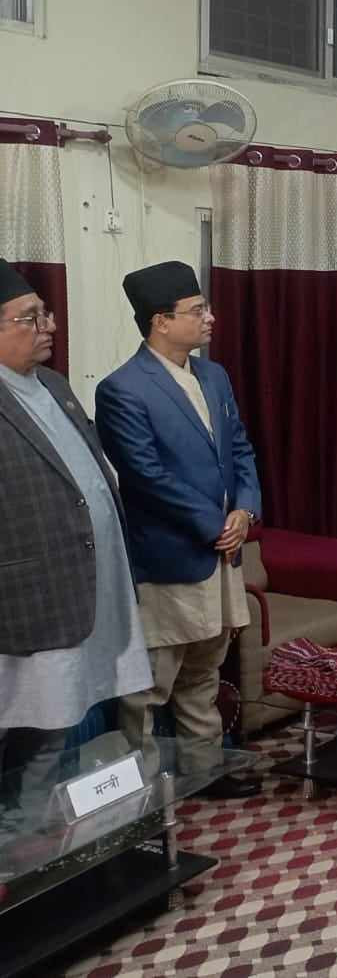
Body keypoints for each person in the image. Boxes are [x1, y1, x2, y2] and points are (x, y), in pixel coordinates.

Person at [97, 261, 262, 797]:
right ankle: (138, 797)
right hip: (170, 558)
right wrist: (216, 525)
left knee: (204, 674)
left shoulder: (214, 376)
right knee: (150, 685)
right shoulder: (122, 389)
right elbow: (145, 476)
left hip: (222, 552)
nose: (210, 318)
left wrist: (245, 511)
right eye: (197, 310)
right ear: (160, 321)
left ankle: (204, 771)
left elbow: (240, 449)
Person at [0, 258, 152, 812]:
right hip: (23, 601)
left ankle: (35, 830)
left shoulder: (53, 384)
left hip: (80, 587)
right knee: (27, 723)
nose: (50, 326)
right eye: (30, 317)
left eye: (46, 313)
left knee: (56, 722)